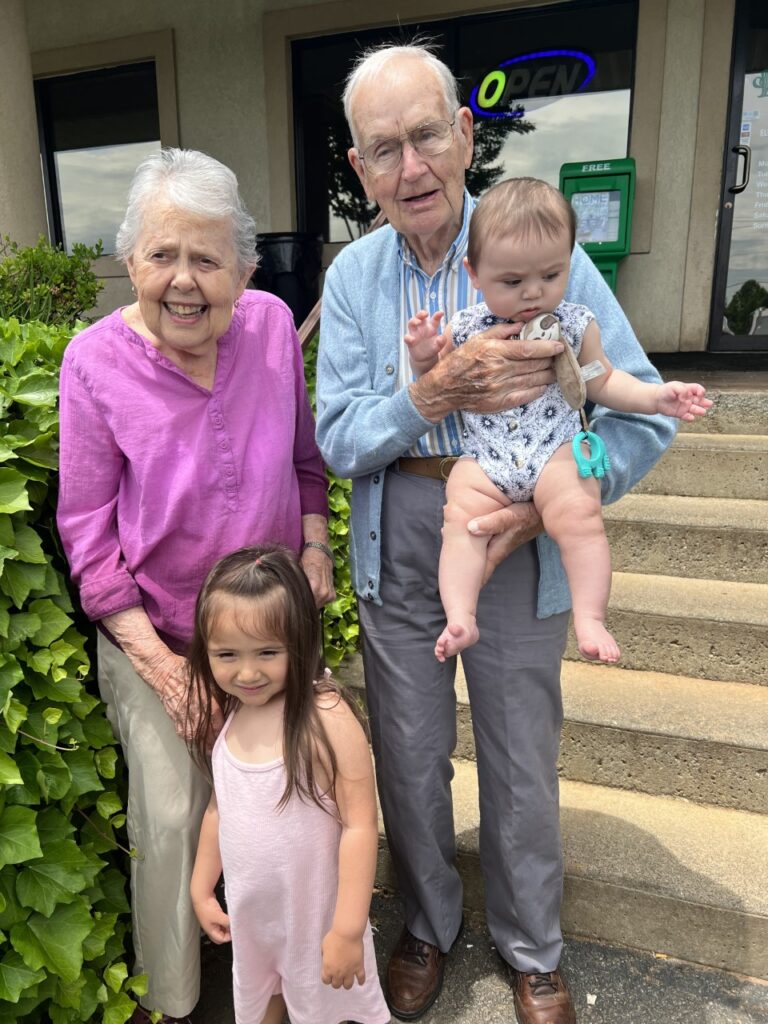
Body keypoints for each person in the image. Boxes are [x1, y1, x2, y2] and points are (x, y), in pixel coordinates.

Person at [315, 43, 676, 1024]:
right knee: (408, 752)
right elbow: (340, 438)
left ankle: (533, 949)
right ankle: (429, 925)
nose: (413, 168)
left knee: (521, 754)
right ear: (359, 171)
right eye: (383, 149)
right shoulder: (352, 281)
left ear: (465, 135)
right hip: (402, 533)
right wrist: (427, 394)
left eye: (428, 135)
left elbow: (637, 420)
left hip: (517, 537)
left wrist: (559, 503)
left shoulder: (538, 241)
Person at [56, 148, 333, 1024]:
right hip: (158, 633)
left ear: (244, 270)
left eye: (207, 260)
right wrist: (167, 669)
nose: (185, 282)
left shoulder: (270, 330)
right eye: (162, 255)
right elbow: (87, 532)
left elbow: (303, 462)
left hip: (269, 627)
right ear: (130, 260)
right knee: (174, 817)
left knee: (297, 800)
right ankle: (173, 1005)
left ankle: (296, 977)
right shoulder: (93, 363)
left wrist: (318, 545)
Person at [405, 177, 711, 665]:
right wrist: (424, 357)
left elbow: (603, 381)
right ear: (474, 273)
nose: (533, 293)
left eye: (551, 275)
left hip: (555, 451)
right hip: (486, 458)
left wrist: (657, 398)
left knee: (581, 517)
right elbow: (438, 382)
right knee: (461, 521)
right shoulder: (465, 328)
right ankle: (461, 616)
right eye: (512, 282)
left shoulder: (574, 322)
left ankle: (589, 616)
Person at [187, 545, 390, 1024]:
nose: (248, 672)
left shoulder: (326, 717)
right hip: (255, 920)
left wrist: (347, 929)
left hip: (315, 922)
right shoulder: (233, 714)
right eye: (227, 655)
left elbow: (360, 826)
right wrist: (200, 887)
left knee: (320, 1010)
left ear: (299, 641)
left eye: (268, 652)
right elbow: (220, 809)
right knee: (264, 1003)